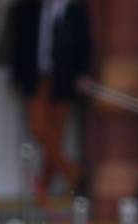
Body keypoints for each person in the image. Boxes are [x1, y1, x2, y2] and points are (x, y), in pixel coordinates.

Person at [8, 0, 91, 203]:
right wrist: (18, 77)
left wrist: (83, 75)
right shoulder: (28, 9)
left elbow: (85, 46)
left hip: (63, 82)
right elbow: (19, 45)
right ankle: (71, 170)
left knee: (54, 136)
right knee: (38, 128)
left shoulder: (75, 12)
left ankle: (43, 191)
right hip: (37, 80)